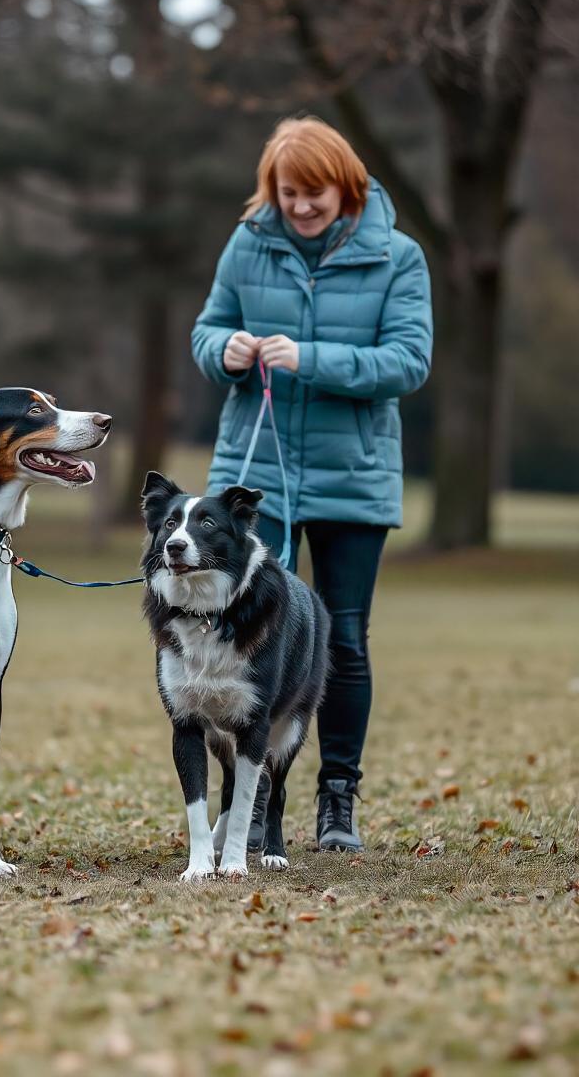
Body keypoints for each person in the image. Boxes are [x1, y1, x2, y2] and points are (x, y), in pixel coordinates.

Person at [191, 116, 433, 853]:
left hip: (352, 477)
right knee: (256, 641)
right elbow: (206, 332)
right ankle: (261, 807)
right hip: (253, 475)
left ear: (347, 186)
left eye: (315, 194)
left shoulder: (399, 257)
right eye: (289, 193)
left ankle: (338, 800)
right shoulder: (248, 243)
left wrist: (314, 358)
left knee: (344, 639)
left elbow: (409, 362)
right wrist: (225, 351)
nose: (301, 207)